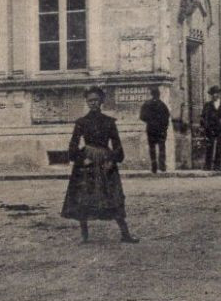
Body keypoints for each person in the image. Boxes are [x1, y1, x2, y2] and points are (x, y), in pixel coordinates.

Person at [59, 87, 138, 244]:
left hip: (105, 162)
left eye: (96, 100)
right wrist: (81, 159)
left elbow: (117, 145)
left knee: (113, 196)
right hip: (86, 164)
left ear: (101, 101)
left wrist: (112, 160)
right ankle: (84, 236)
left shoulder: (109, 122)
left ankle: (125, 234)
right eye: (90, 101)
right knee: (83, 197)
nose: (93, 103)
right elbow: (73, 145)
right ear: (87, 102)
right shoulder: (81, 122)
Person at [137, 86, 171, 173]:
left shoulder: (147, 104)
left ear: (151, 94)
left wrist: (150, 121)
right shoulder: (163, 105)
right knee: (162, 147)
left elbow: (142, 117)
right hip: (161, 130)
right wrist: (164, 126)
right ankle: (162, 166)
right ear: (159, 95)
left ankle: (154, 167)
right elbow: (167, 117)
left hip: (151, 129)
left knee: (152, 148)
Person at [201, 85, 221, 172]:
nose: (215, 95)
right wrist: (205, 126)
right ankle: (208, 165)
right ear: (211, 95)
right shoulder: (207, 105)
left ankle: (217, 166)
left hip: (220, 129)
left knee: (219, 147)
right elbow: (203, 117)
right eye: (213, 94)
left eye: (216, 93)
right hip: (210, 129)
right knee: (209, 147)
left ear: (219, 94)